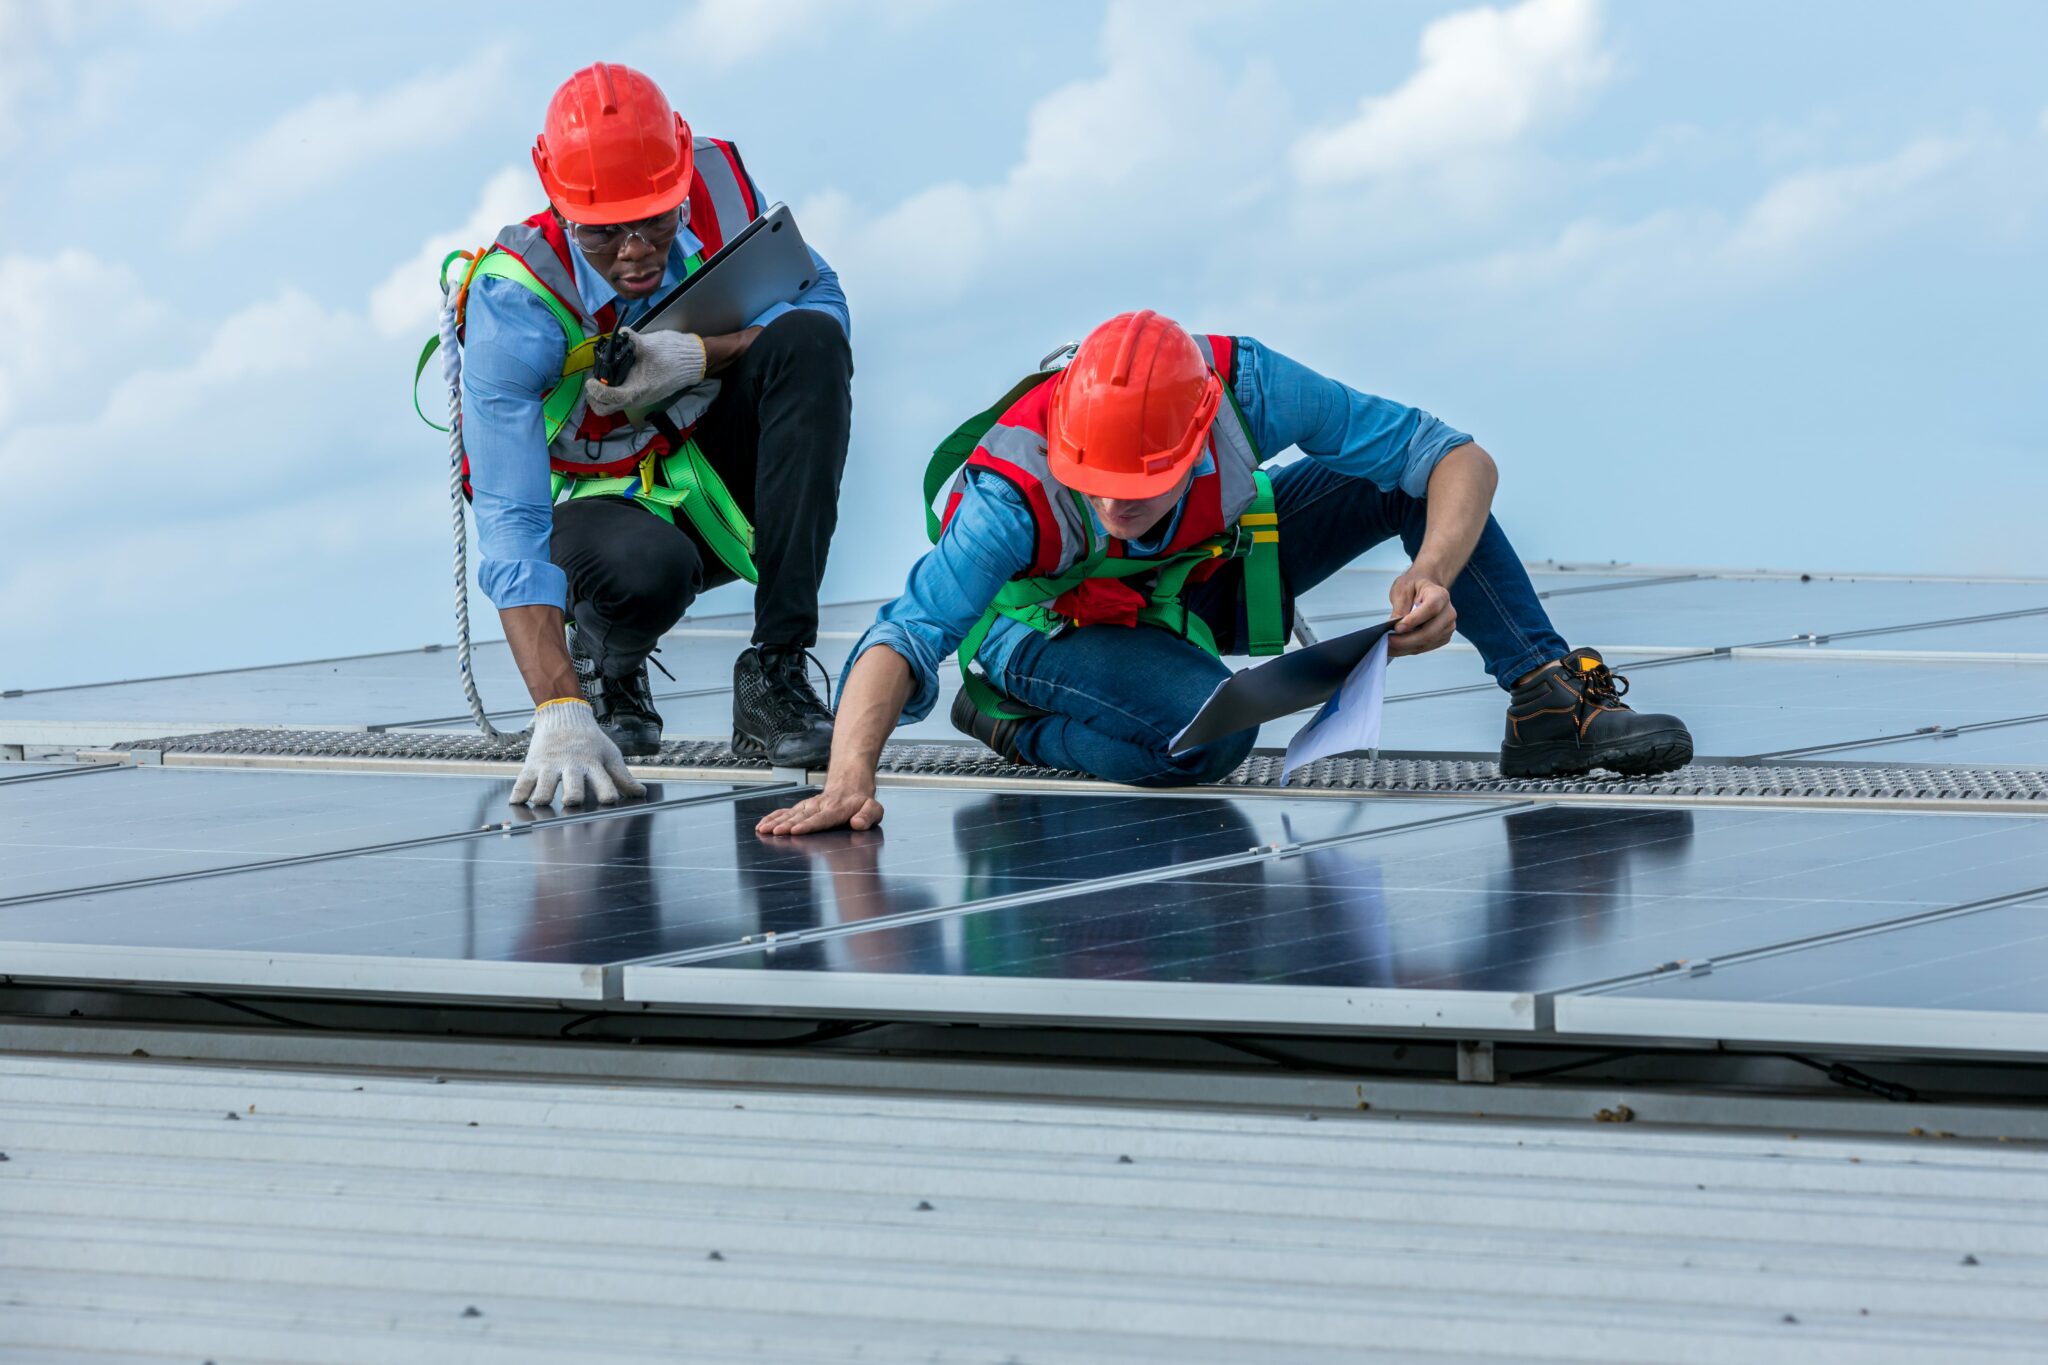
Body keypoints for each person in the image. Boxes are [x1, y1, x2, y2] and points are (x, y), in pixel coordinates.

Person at [756, 310, 1692, 835]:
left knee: (1400, 485)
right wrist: (849, 779)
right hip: (1051, 628)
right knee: (1205, 741)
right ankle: (1018, 722)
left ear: (1201, 435)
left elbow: (1457, 458)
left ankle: (1546, 699)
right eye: (1101, 487)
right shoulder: (1011, 499)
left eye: (1145, 484)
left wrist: (1437, 572)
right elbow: (904, 635)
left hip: (1200, 572)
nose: (1118, 507)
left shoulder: (1251, 388)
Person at [446, 62, 851, 806]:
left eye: (658, 219)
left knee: (809, 345)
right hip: (596, 520)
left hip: (710, 479)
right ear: (557, 199)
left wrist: (704, 353)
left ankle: (776, 677)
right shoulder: (519, 301)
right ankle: (607, 657)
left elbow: (821, 301)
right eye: (603, 234)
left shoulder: (720, 190)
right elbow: (511, 522)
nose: (636, 250)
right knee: (648, 568)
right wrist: (558, 707)